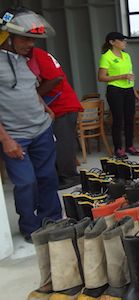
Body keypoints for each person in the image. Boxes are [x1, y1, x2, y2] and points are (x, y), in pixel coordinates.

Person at [0, 7, 62, 242]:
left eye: (32, 39)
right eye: (25, 38)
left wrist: (45, 108)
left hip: (41, 130)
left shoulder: (26, 60)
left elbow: (29, 89)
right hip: (16, 136)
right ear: (8, 36)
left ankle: (52, 219)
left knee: (48, 177)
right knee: (26, 182)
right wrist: (6, 140)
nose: (30, 44)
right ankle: (30, 226)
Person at [29, 47, 83, 190]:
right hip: (52, 107)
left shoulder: (36, 54)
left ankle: (69, 177)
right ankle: (60, 175)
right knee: (57, 143)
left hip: (62, 105)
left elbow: (56, 78)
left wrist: (32, 95)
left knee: (63, 143)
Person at [97, 31, 139, 158]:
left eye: (125, 40)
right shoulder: (106, 56)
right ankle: (118, 148)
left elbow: (130, 76)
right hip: (115, 90)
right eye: (121, 40)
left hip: (128, 89)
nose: (124, 42)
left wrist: (135, 93)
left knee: (130, 118)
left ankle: (129, 145)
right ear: (112, 42)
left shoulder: (126, 56)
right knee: (118, 119)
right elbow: (101, 77)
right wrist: (121, 76)